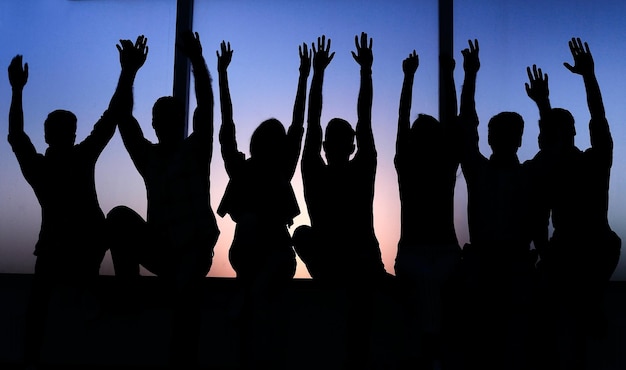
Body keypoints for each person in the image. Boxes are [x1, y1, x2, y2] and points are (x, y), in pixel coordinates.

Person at [106, 32, 219, 368]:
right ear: (155, 124)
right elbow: (123, 119)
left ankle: (180, 360)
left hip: (192, 253)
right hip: (163, 250)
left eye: (168, 119)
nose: (162, 125)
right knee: (118, 217)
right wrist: (128, 72)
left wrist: (198, 62)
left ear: (176, 123)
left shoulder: (194, 152)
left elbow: (206, 107)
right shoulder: (150, 158)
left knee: (187, 300)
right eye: (159, 119)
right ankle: (130, 294)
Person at [8, 47, 121, 366]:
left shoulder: (41, 168)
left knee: (37, 314)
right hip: (83, 250)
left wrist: (17, 91)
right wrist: (126, 73)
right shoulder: (80, 158)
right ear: (72, 135)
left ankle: (32, 355)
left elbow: (16, 136)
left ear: (46, 135)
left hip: (56, 252)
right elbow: (109, 121)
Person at [292, 32, 386, 368]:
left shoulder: (320, 170)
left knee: (302, 234)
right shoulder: (356, 169)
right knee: (302, 233)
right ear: (350, 145)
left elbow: (316, 124)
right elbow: (355, 121)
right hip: (356, 261)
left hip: (349, 261)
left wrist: (319, 73)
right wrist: (364, 71)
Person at [526, 38, 621, 370]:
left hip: (578, 249)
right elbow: (596, 119)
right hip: (587, 247)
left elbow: (591, 122)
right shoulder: (592, 160)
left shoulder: (559, 166)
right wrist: (587, 77)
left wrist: (545, 102)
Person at [216, 39, 310, 369]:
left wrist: (222, 74)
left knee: (256, 305)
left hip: (266, 258)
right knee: (263, 310)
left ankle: (247, 297)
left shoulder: (252, 170)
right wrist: (304, 76)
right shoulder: (264, 170)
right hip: (265, 257)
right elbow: (228, 129)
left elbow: (227, 130)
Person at [458, 39, 538, 370]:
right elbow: (467, 128)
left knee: (495, 341)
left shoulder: (484, 171)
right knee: (502, 341)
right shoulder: (522, 174)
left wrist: (470, 76)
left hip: (500, 266)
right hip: (502, 265)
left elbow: (467, 129)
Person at [393, 49, 462, 369]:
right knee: (429, 283)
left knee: (426, 283)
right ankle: (431, 352)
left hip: (424, 251)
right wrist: (447, 74)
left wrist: (410, 77)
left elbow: (403, 121)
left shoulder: (410, 164)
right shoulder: (441, 166)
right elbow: (449, 119)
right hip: (431, 251)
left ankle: (424, 352)